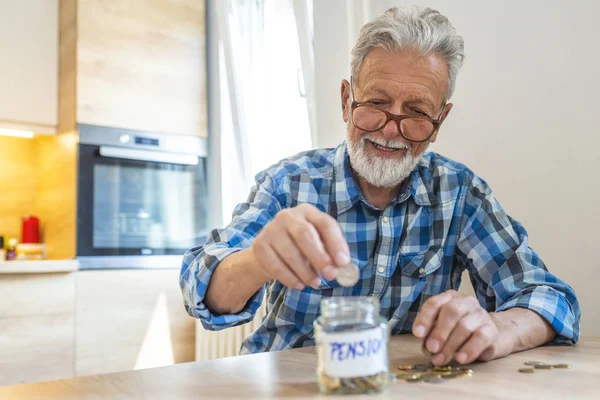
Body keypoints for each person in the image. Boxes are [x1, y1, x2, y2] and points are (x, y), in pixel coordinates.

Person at [180, 6, 580, 366]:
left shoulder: (461, 194)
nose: (390, 130)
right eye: (375, 104)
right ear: (345, 100)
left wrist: (497, 328)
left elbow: (552, 299)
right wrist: (256, 261)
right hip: (289, 387)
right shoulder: (288, 184)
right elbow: (201, 289)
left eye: (417, 112)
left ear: (441, 121)